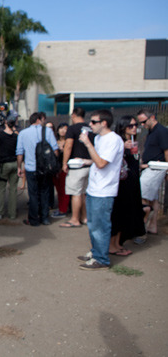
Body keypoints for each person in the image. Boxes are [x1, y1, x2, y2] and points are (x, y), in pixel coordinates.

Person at [78, 109, 124, 270]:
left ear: (104, 123)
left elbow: (102, 163)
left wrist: (88, 144)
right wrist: (85, 160)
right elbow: (97, 159)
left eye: (94, 122)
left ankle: (102, 259)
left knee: (100, 226)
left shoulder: (113, 140)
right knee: (92, 224)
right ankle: (96, 251)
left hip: (104, 190)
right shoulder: (99, 138)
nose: (90, 125)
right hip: (94, 187)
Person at [109, 116, 147, 256]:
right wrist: (123, 147)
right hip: (121, 184)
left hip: (132, 183)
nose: (134, 128)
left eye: (135, 125)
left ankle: (119, 243)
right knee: (118, 214)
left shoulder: (134, 142)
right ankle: (112, 245)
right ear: (123, 126)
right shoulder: (119, 142)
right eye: (130, 125)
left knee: (126, 214)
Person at [16, 112, 59, 226]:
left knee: (33, 194)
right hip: (45, 169)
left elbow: (20, 152)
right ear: (40, 119)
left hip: (31, 168)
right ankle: (45, 218)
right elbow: (55, 150)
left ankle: (34, 219)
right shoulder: (48, 131)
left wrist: (19, 167)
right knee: (45, 192)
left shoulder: (23, 133)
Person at [60, 107, 94, 228]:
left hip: (76, 166)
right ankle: (85, 217)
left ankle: (75, 219)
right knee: (84, 192)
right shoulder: (91, 128)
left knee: (75, 193)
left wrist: (64, 163)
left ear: (73, 115)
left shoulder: (72, 128)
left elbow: (68, 146)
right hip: (90, 164)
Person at [136, 109, 168, 235]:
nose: (142, 125)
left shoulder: (161, 131)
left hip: (156, 168)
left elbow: (166, 151)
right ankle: (152, 226)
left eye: (144, 122)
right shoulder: (151, 132)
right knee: (153, 198)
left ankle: (142, 226)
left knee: (142, 195)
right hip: (151, 167)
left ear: (152, 117)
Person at [0, 113, 19, 220]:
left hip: (4, 164)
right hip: (15, 163)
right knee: (13, 189)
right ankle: (12, 214)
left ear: (6, 122)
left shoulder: (0, 134)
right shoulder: (17, 135)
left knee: (1, 188)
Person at [51, 122, 70, 219]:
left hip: (64, 169)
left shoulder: (69, 142)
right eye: (61, 128)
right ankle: (61, 208)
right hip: (55, 169)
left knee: (64, 190)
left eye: (65, 129)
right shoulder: (54, 141)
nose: (63, 130)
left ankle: (63, 210)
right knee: (59, 190)